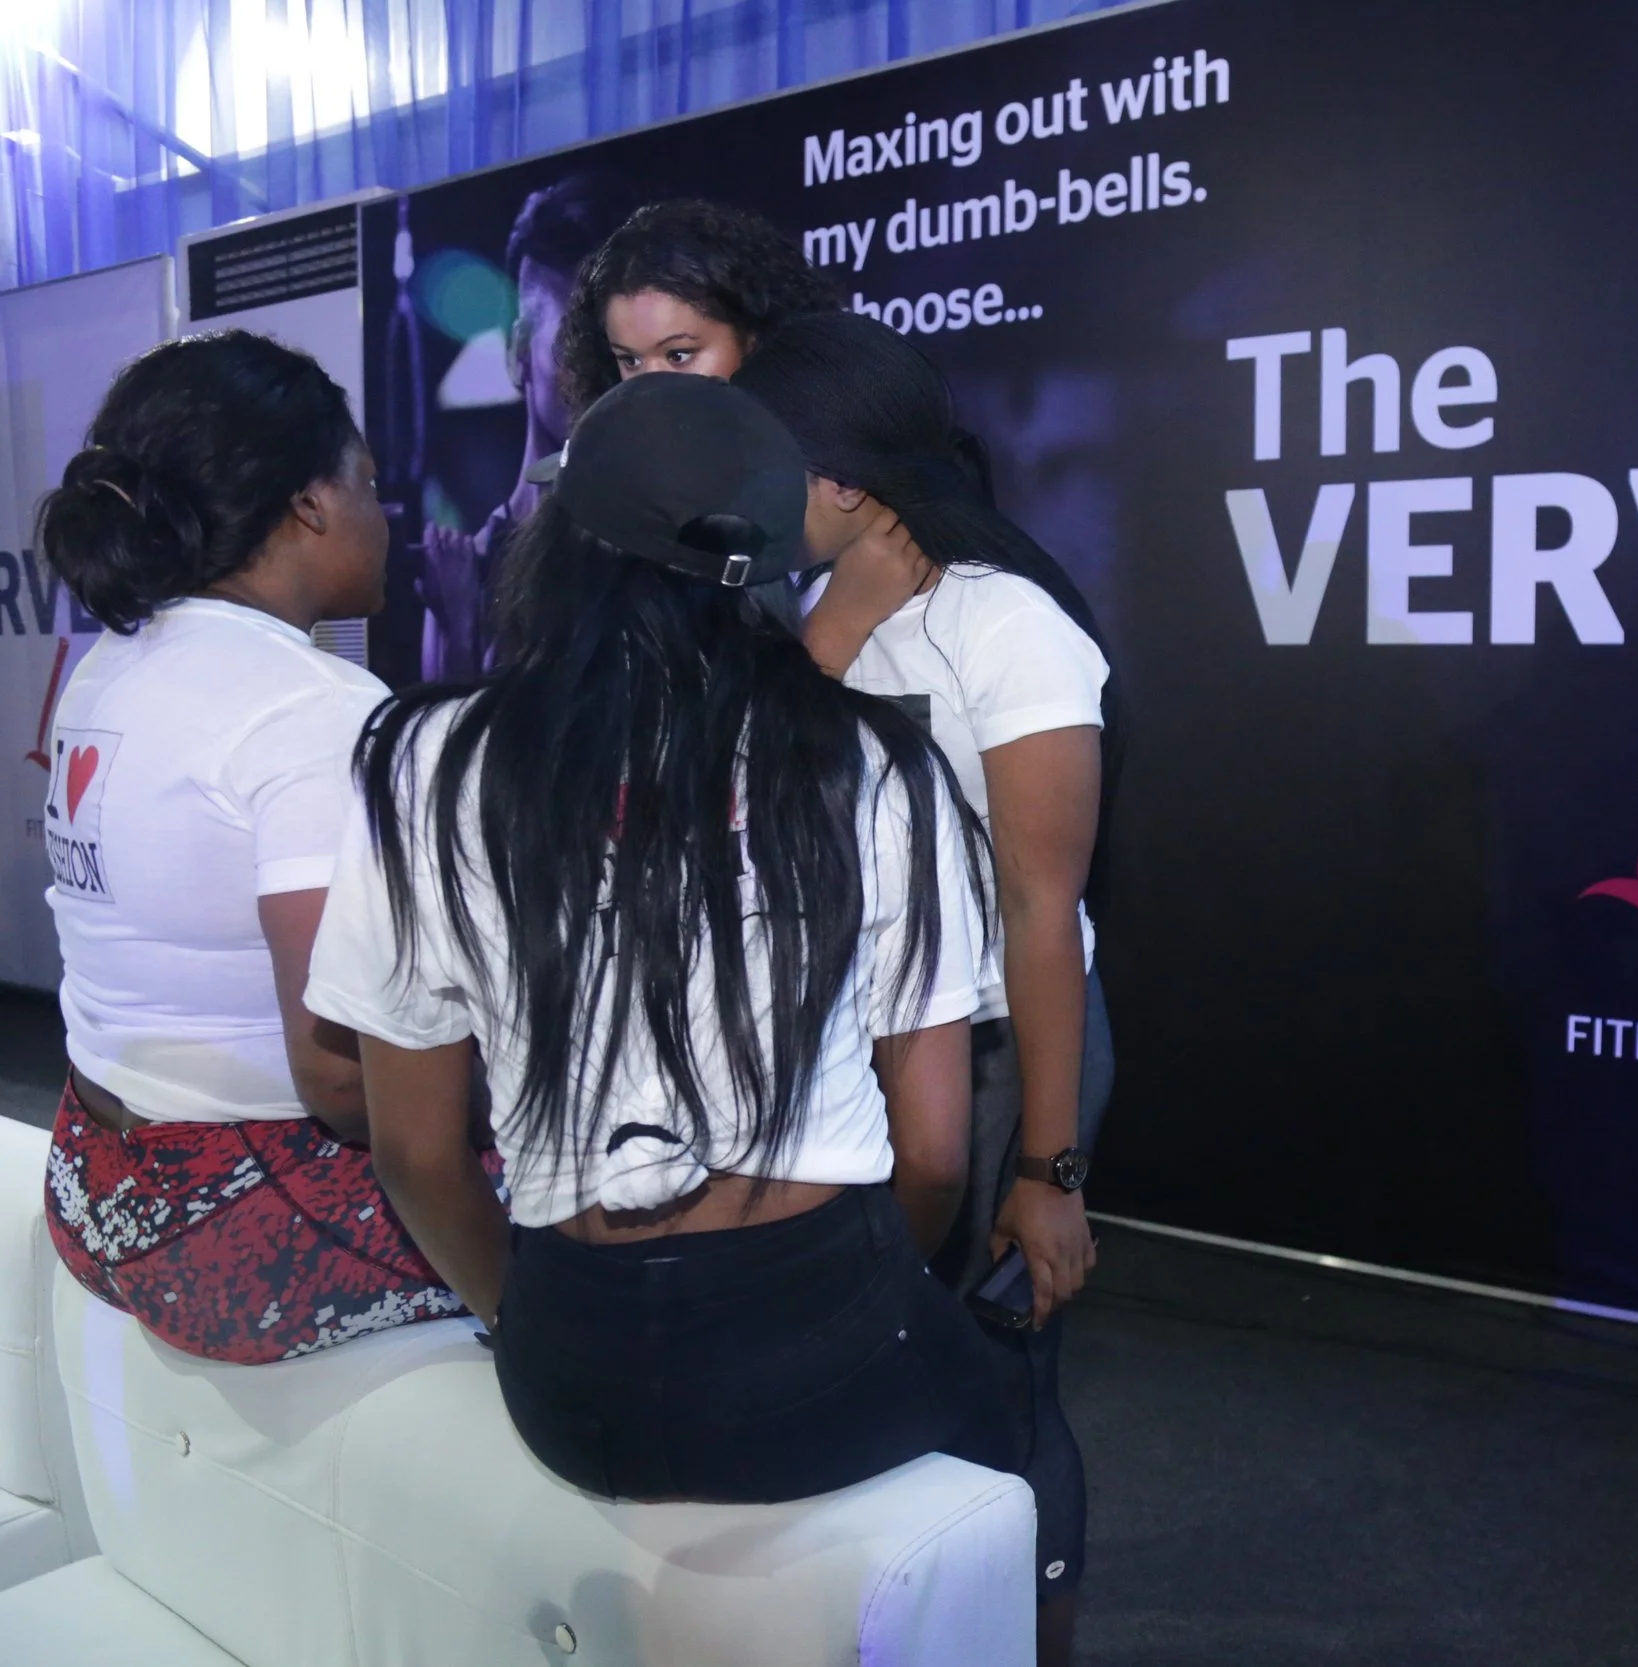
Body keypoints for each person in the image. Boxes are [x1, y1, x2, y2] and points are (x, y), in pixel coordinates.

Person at [301, 374, 1042, 1530]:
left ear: (560, 542)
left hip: (570, 1370)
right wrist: (852, 1303)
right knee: (1018, 1453)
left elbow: (416, 1151)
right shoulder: (874, 763)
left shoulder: (425, 763)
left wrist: (526, 1318)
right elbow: (938, 1154)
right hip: (823, 1339)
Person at [736, 309, 1115, 1653]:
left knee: (997, 1377)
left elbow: (1042, 911)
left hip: (1005, 1052)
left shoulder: (1004, 623)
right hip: (857, 1047)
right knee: (873, 1359)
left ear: (843, 478)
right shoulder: (804, 613)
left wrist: (1050, 1170)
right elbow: (737, 816)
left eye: (763, 459)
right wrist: (833, 635)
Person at [33, 331, 476, 1364]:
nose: (384, 514)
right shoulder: (313, 707)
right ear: (311, 503)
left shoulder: (108, 665)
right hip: (238, 1226)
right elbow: (340, 1080)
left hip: (94, 1178)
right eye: (369, 483)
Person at [416, 172, 638, 680]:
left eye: (617, 347)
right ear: (519, 352)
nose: (600, 370)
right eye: (573, 343)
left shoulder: (657, 553)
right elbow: (443, 727)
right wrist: (460, 633)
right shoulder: (466, 575)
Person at [556, 198, 841, 405]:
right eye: (631, 361)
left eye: (678, 356)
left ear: (754, 341)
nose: (650, 390)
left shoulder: (826, 465)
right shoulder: (604, 469)